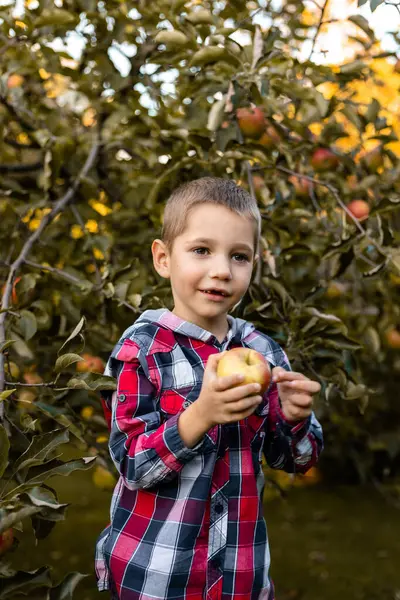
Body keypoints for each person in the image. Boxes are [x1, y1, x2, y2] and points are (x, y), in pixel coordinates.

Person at [95, 177, 323, 600]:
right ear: (163, 258)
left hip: (240, 576)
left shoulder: (263, 352)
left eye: (239, 256)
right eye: (202, 250)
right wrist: (199, 415)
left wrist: (295, 419)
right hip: (156, 576)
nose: (221, 270)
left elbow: (296, 460)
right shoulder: (141, 350)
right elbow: (132, 464)